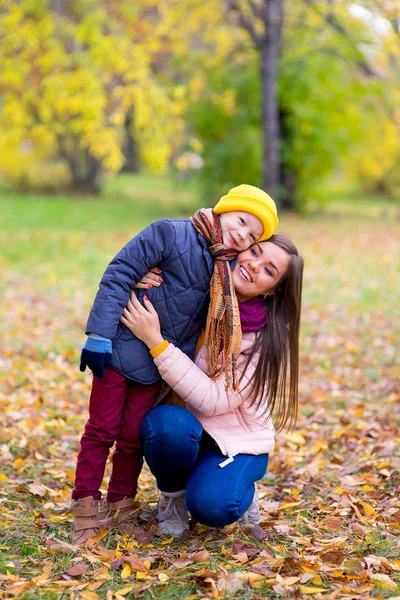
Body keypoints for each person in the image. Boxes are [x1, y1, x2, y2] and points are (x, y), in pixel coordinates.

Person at [71, 184, 279, 544]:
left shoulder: (228, 270)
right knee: (101, 431)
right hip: (119, 353)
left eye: (252, 235)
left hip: (157, 367)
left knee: (132, 439)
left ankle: (123, 506)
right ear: (224, 208)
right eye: (242, 221)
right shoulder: (170, 233)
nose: (242, 235)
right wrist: (99, 334)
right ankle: (85, 505)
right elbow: (120, 271)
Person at [121, 234, 303, 536]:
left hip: (236, 441)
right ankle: (172, 496)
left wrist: (155, 341)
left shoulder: (267, 337)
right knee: (166, 427)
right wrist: (144, 277)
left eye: (269, 270)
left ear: (274, 290)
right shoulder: (200, 289)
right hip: (185, 426)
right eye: (254, 252)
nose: (253, 265)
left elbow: (214, 401)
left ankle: (238, 487)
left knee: (214, 506)